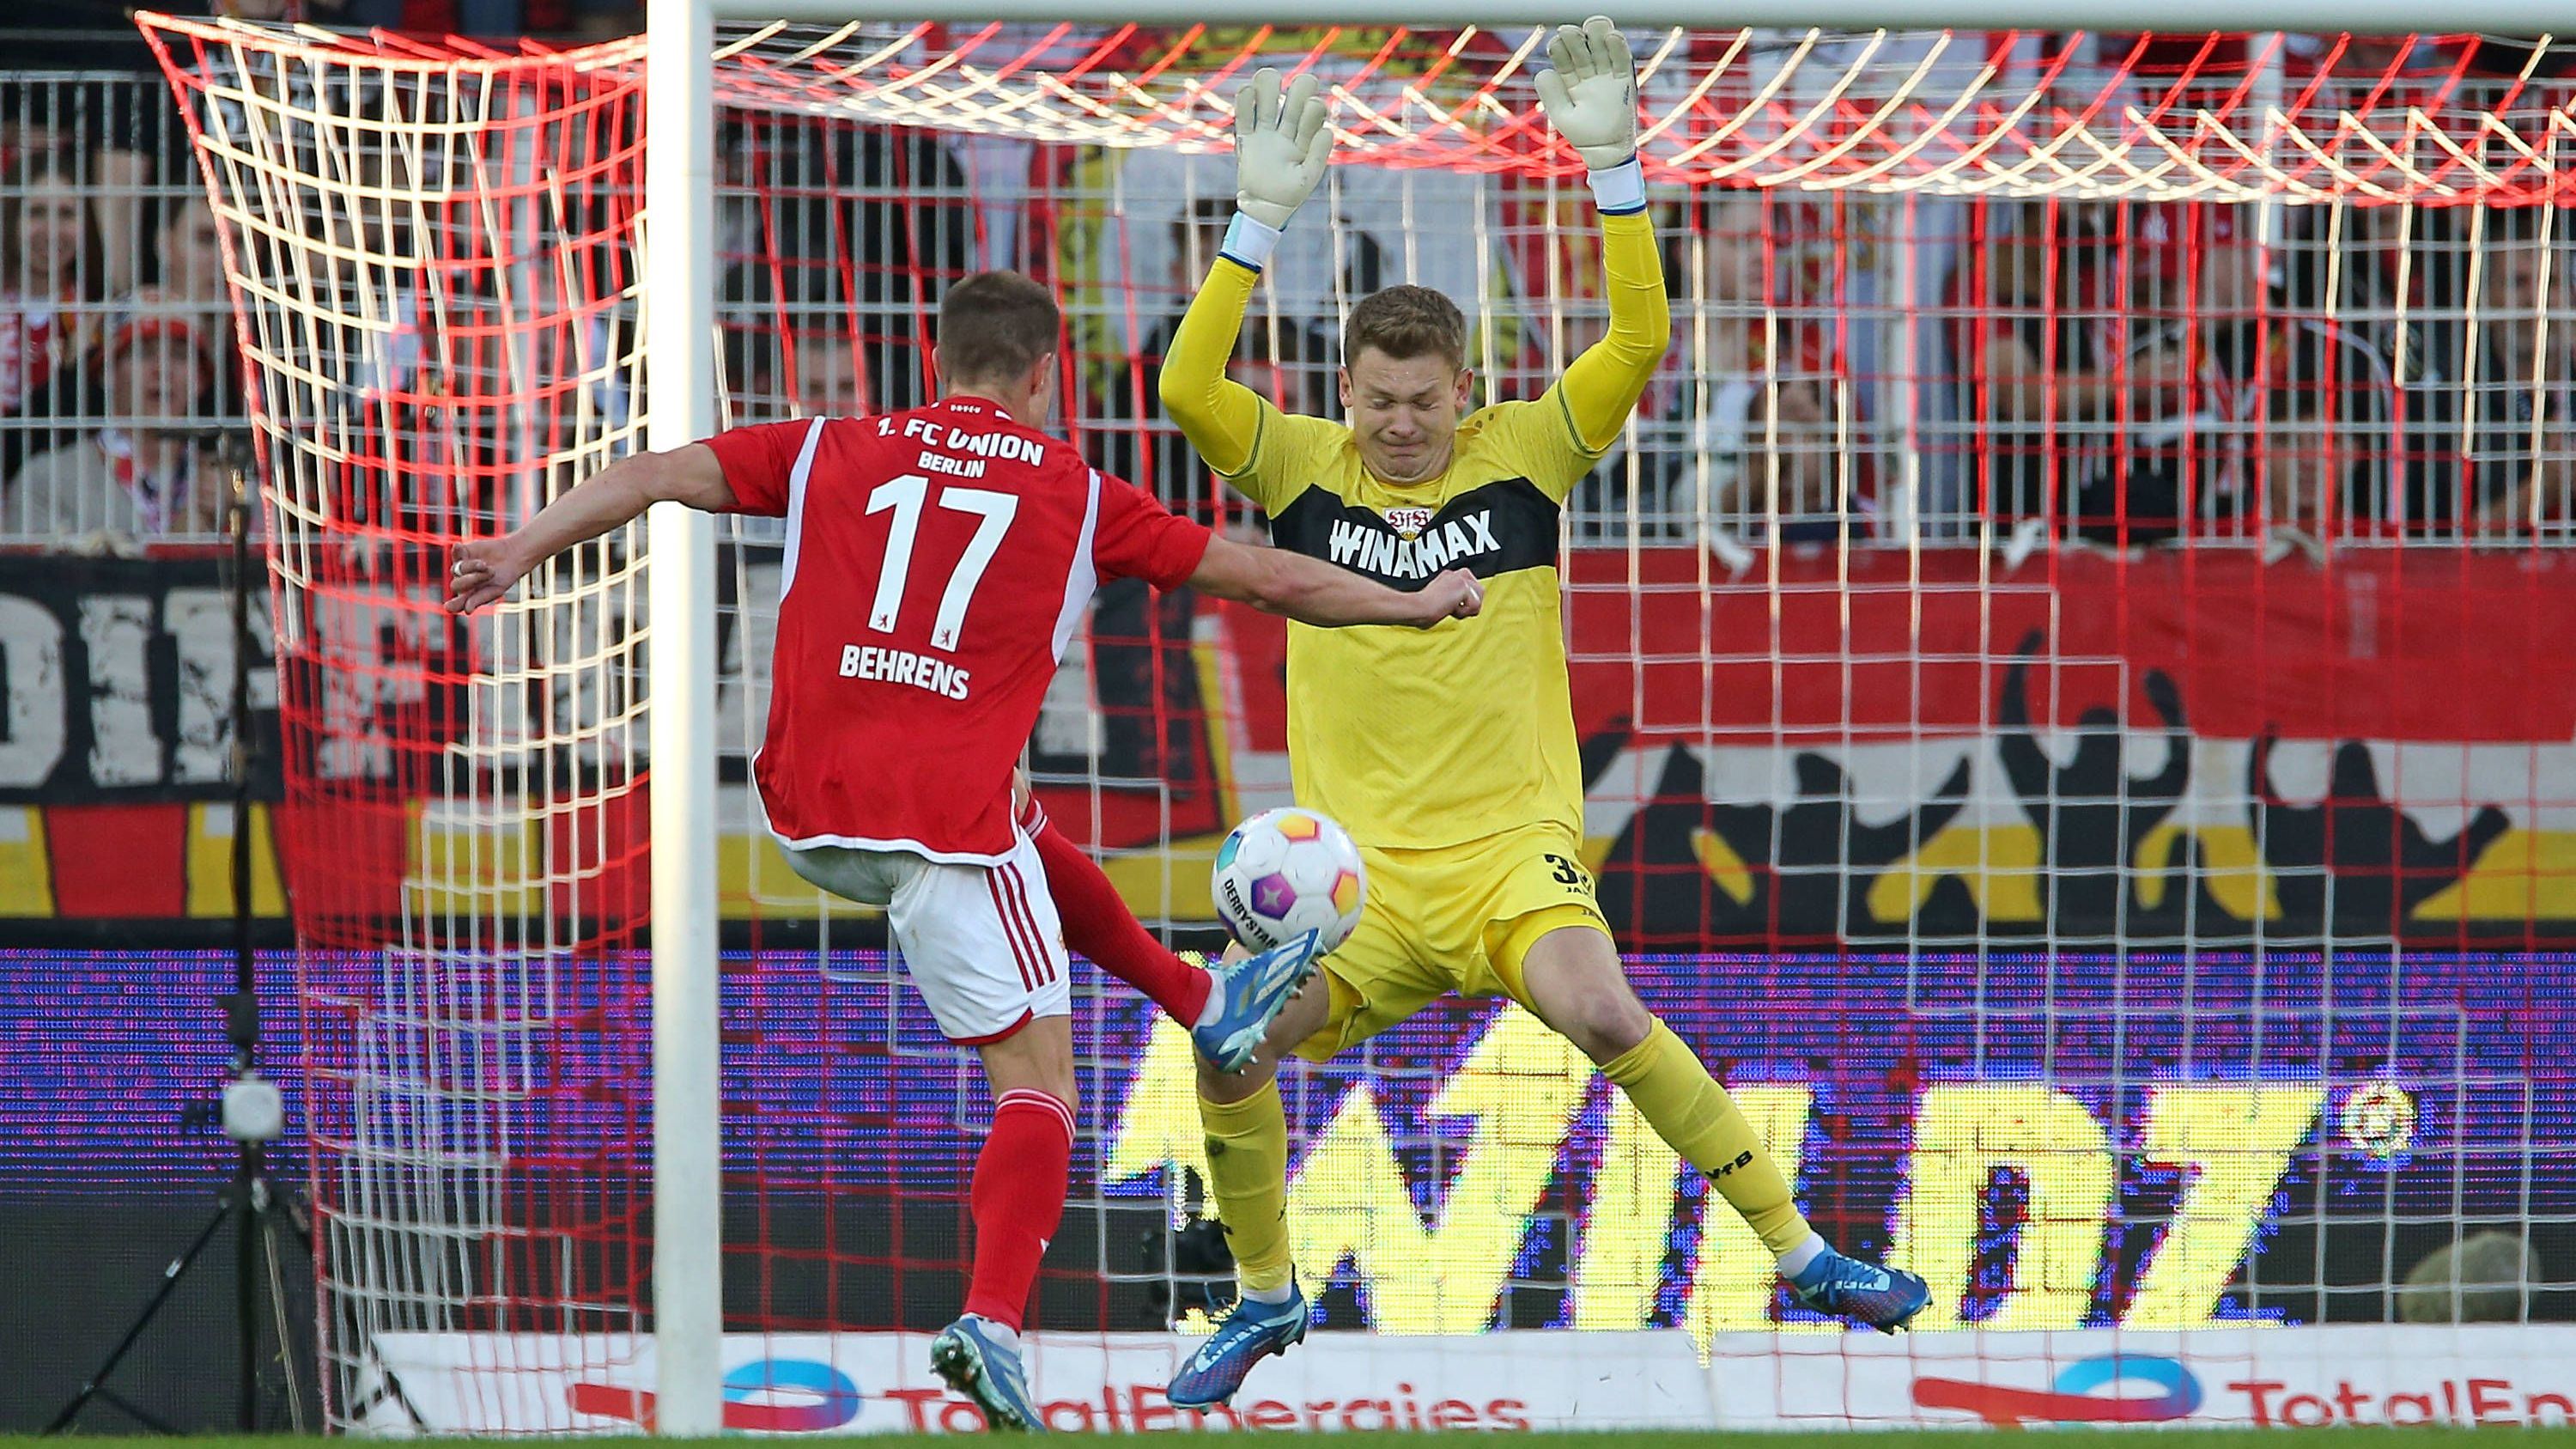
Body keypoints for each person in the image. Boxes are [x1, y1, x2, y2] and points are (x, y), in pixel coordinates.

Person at [444, 269, 1485, 1430]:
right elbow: (1270, 577)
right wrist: (1415, 601)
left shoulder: (833, 443)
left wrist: (518, 546)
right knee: (1040, 1083)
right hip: (938, 832)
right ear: (1048, 375)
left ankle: (1203, 1001)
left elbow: (650, 476)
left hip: (802, 810)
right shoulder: (1081, 495)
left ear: (939, 364)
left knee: (1017, 793)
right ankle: (991, 1320)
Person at [1128, 21, 1931, 1410]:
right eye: (1378, 403)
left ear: (1464, 391)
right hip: (1357, 890)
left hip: (1509, 854)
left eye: (1424, 404)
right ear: (1346, 394)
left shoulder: (1528, 455)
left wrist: (1615, 167)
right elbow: (1187, 388)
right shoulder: (1297, 468)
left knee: (1604, 1011)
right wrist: (1254, 222)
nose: (1399, 428)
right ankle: (1265, 1296)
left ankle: (1804, 1259)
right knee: (1228, 1042)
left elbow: (1640, 335)